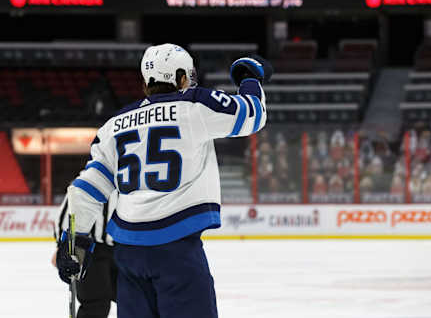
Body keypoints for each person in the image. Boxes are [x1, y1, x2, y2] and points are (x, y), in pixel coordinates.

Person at [55, 43, 272, 318]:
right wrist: (250, 77)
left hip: (128, 254)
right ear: (182, 77)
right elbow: (253, 114)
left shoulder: (114, 124)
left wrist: (72, 242)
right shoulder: (195, 105)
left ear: (146, 82)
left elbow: (87, 188)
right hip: (176, 250)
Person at [53, 191, 117, 318]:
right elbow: (67, 213)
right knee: (94, 305)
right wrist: (63, 247)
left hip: (126, 249)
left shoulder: (131, 177)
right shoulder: (87, 180)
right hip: (91, 250)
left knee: (136, 302)